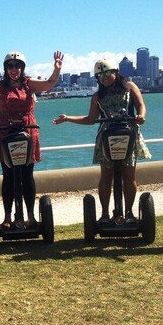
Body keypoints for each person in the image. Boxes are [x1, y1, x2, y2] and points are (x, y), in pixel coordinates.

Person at [0, 50, 63, 227]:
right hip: (5, 130)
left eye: (18, 66)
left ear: (22, 68)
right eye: (11, 66)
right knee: (8, 175)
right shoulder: (0, 85)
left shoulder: (29, 84)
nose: (14, 69)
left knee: (27, 175)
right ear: (6, 68)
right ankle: (7, 217)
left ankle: (30, 216)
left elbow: (49, 83)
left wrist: (57, 68)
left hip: (28, 129)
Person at [52, 58, 151, 223]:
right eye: (99, 75)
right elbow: (91, 119)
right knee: (106, 175)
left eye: (107, 73)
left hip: (129, 133)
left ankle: (128, 212)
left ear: (115, 72)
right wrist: (68, 118)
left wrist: (141, 116)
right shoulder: (97, 96)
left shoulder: (129, 87)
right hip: (106, 136)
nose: (104, 77)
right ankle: (105, 214)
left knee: (129, 175)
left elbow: (141, 105)